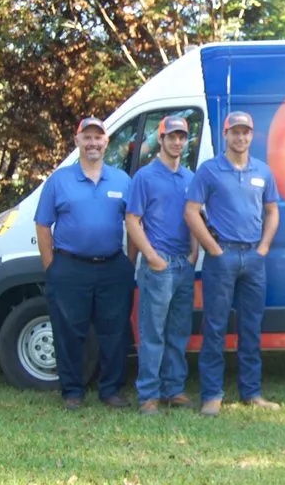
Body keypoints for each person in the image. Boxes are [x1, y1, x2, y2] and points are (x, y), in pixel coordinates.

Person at [184, 111, 280, 417]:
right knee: (215, 326)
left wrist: (263, 247)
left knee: (251, 327)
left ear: (251, 135)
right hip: (221, 258)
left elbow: (273, 211)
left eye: (245, 132)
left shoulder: (263, 171)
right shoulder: (209, 171)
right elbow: (191, 211)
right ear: (225, 135)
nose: (240, 137)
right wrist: (212, 249)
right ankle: (212, 395)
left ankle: (251, 392)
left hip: (253, 259)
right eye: (234, 132)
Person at [35, 117, 134, 411]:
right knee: (69, 331)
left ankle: (110, 390)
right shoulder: (59, 180)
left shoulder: (122, 180)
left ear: (106, 142)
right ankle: (72, 391)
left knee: (114, 331)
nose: (93, 143)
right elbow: (43, 225)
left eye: (98, 137)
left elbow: (134, 222)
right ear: (77, 141)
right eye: (87, 137)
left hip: (113, 267)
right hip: (69, 266)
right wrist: (50, 265)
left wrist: (128, 263)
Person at [125, 115, 198, 415]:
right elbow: (132, 221)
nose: (177, 142)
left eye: (182, 137)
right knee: (153, 332)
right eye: (172, 137)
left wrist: (194, 252)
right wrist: (152, 257)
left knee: (178, 331)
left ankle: (174, 388)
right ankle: (148, 395)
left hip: (184, 265)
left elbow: (195, 216)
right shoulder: (144, 177)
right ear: (161, 139)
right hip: (159, 266)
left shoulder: (189, 178)